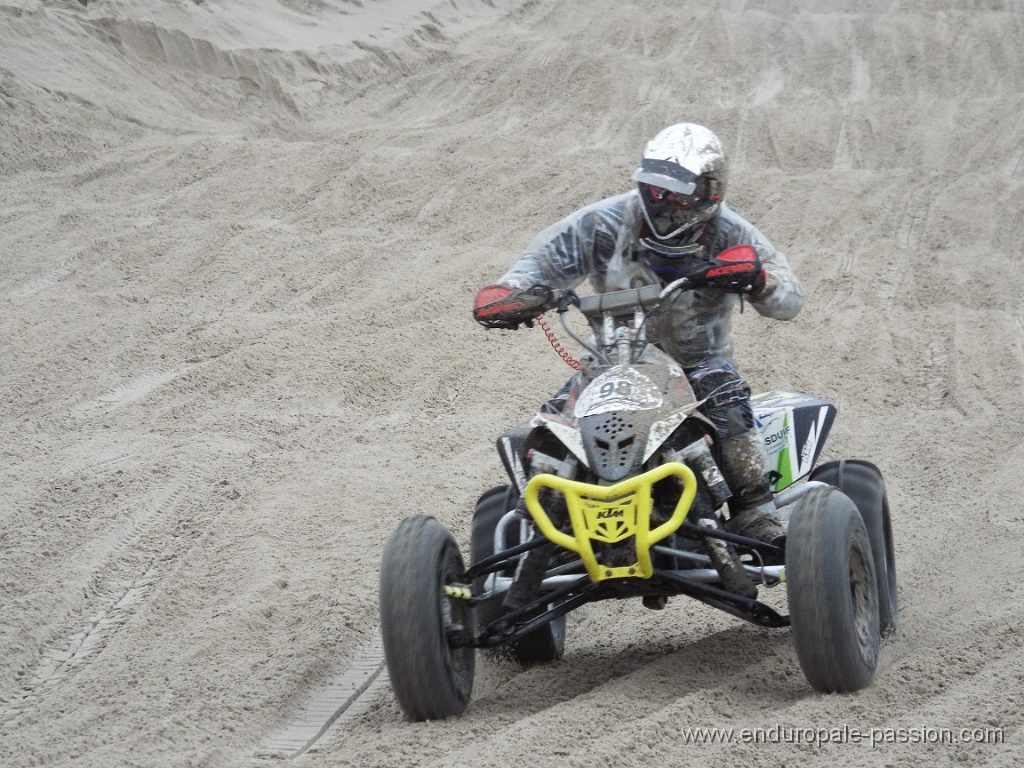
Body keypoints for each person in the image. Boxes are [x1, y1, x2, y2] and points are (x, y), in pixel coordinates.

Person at [472, 123, 805, 598]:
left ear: (709, 192)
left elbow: (790, 296)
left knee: (724, 391)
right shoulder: (603, 223)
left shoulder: (731, 231)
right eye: (654, 189)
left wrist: (758, 279)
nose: (663, 203)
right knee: (544, 428)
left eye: (677, 193)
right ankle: (543, 523)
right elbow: (539, 263)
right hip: (609, 365)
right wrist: (510, 294)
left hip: (695, 365)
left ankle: (754, 513)